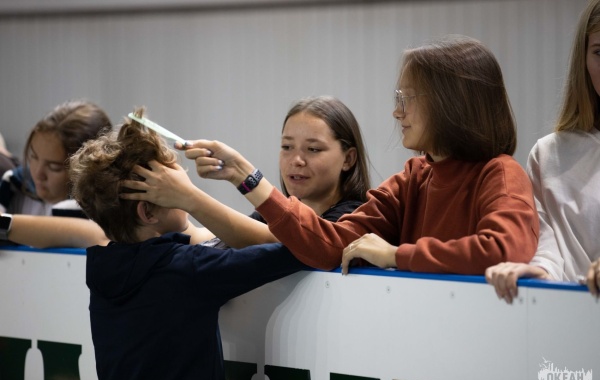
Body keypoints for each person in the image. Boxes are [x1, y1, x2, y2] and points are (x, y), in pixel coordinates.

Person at [174, 35, 539, 275]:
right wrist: (245, 176)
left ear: (451, 104)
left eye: (407, 99)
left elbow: (504, 249)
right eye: (287, 146)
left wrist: (396, 255)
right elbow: (331, 244)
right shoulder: (414, 177)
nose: (397, 112)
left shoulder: (499, 173)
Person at [69, 108, 312, 380]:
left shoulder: (103, 268)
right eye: (176, 190)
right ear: (148, 212)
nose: (187, 187)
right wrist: (199, 198)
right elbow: (300, 248)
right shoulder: (188, 268)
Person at [120, 95, 371, 249]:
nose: (296, 160)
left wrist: (189, 197)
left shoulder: (354, 217)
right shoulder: (272, 216)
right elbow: (223, 238)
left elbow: (287, 240)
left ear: (348, 159)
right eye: (286, 147)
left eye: (313, 149)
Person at [486, 0, 600, 302]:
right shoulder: (549, 155)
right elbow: (549, 244)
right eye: (599, 53)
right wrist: (537, 269)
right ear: (583, 60)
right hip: (565, 314)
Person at [0, 99, 111, 217]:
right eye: (33, 157)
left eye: (54, 167)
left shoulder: (100, 211)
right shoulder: (16, 185)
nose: (38, 174)